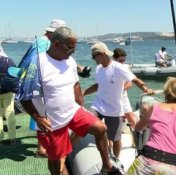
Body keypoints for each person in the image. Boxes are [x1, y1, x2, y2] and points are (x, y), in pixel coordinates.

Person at [21, 27, 120, 175]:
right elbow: (24, 95)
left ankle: (107, 166)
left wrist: (81, 105)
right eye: (70, 47)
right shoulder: (37, 63)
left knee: (101, 128)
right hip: (52, 121)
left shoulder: (71, 61)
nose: (73, 51)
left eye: (75, 47)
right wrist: (38, 118)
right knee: (55, 160)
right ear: (56, 44)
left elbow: (75, 84)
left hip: (73, 111)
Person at [83, 42, 154, 159]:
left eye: (94, 56)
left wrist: (146, 88)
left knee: (116, 140)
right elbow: (98, 85)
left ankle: (116, 159)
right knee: (86, 122)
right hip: (98, 105)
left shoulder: (118, 67)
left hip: (114, 110)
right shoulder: (98, 69)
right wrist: (84, 92)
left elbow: (135, 80)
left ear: (102, 54)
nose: (92, 58)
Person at [127, 77, 176, 175]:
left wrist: (146, 119)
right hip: (173, 163)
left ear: (166, 91)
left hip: (149, 158)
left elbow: (138, 127)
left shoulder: (154, 108)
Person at [112, 48, 135, 128]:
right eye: (120, 61)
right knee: (113, 119)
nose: (122, 63)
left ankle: (136, 133)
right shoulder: (109, 67)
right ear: (114, 58)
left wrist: (119, 89)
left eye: (124, 60)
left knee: (131, 117)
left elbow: (129, 84)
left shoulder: (126, 67)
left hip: (123, 96)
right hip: (112, 97)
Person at [0, 47, 16, 145]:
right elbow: (17, 73)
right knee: (10, 114)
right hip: (8, 92)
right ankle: (12, 138)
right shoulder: (8, 60)